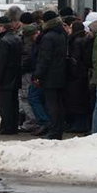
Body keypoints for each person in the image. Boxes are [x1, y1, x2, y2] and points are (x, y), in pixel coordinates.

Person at [33, 10, 67, 140]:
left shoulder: (48, 37)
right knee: (59, 104)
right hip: (61, 73)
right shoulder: (62, 33)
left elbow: (44, 59)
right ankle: (58, 130)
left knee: (52, 104)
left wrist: (37, 75)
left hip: (50, 76)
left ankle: (54, 132)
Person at [0, 16, 23, 135]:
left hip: (5, 78)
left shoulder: (3, 41)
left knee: (4, 105)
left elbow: (1, 63)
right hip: (15, 76)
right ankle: (13, 126)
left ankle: (6, 128)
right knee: (13, 104)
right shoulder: (16, 38)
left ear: (2, 27)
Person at [65, 21, 92, 133]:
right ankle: (82, 124)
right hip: (82, 75)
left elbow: (75, 60)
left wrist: (71, 72)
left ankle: (78, 125)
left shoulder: (75, 41)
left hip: (76, 76)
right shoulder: (83, 39)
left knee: (76, 101)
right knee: (81, 101)